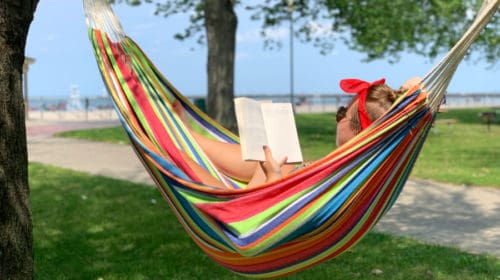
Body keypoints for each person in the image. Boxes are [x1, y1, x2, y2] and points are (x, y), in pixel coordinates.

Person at [174, 77, 421, 188]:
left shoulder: (340, 176)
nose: (339, 120)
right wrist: (408, 97)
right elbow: (416, 86)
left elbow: (261, 216)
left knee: (274, 156)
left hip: (249, 211)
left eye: (341, 114)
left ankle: (173, 146)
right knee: (279, 155)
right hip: (287, 185)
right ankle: (188, 137)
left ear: (354, 129)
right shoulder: (371, 162)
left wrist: (272, 177)